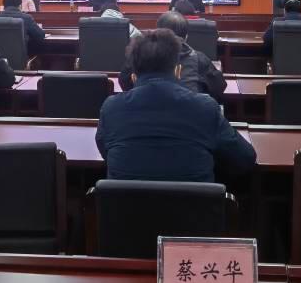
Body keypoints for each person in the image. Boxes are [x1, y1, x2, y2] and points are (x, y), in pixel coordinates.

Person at [96, 29, 256, 182]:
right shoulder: (205, 107)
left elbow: (106, 152)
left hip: (125, 202)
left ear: (133, 77)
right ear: (178, 71)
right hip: (194, 202)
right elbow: (244, 159)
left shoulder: (111, 108)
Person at [119, 11, 226, 97]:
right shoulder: (199, 58)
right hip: (190, 113)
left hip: (142, 110)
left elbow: (124, 82)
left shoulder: (139, 54)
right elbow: (218, 87)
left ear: (157, 31)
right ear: (186, 37)